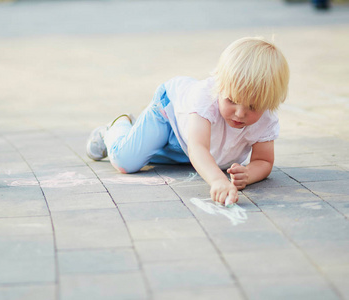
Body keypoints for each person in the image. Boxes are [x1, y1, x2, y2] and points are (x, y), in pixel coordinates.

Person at [86, 37, 290, 206]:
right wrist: (218, 181)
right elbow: (198, 148)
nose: (239, 113)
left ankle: (142, 137)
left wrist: (249, 174)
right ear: (220, 86)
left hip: (189, 147)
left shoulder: (267, 119)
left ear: (268, 103)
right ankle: (117, 127)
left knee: (172, 160)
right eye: (232, 101)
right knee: (126, 161)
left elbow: (263, 161)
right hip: (169, 116)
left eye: (252, 107)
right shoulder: (205, 98)